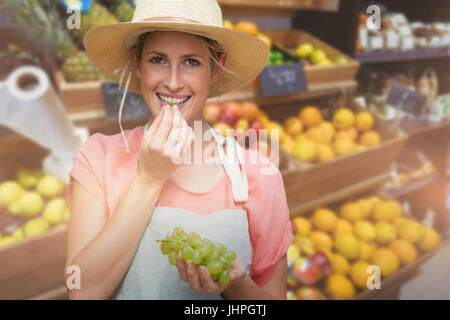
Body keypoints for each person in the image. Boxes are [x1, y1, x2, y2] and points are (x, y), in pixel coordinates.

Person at [65, 0, 293, 300]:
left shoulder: (257, 174)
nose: (172, 82)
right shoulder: (98, 157)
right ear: (136, 63)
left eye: (192, 62)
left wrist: (235, 283)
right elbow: (82, 293)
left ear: (216, 68)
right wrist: (148, 178)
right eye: (157, 59)